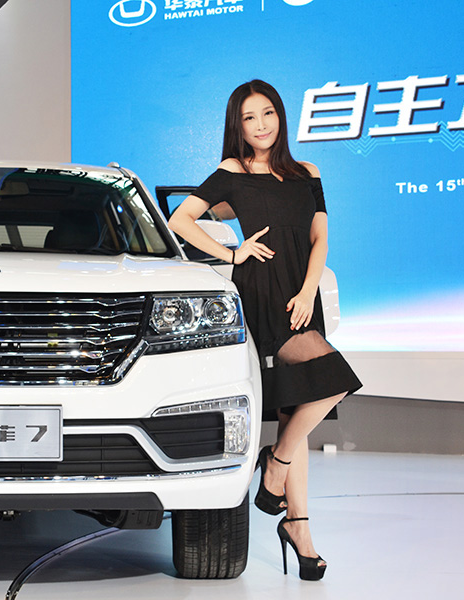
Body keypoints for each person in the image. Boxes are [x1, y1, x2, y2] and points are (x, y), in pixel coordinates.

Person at [168, 79, 362, 581]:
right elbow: (181, 219)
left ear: (281, 116)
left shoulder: (307, 172)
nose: (261, 124)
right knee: (333, 378)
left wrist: (309, 290)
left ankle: (298, 526)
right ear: (238, 125)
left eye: (268, 113)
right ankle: (275, 464)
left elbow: (320, 238)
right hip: (264, 292)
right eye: (249, 117)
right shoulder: (234, 171)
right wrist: (233, 253)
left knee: (297, 406)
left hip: (301, 291)